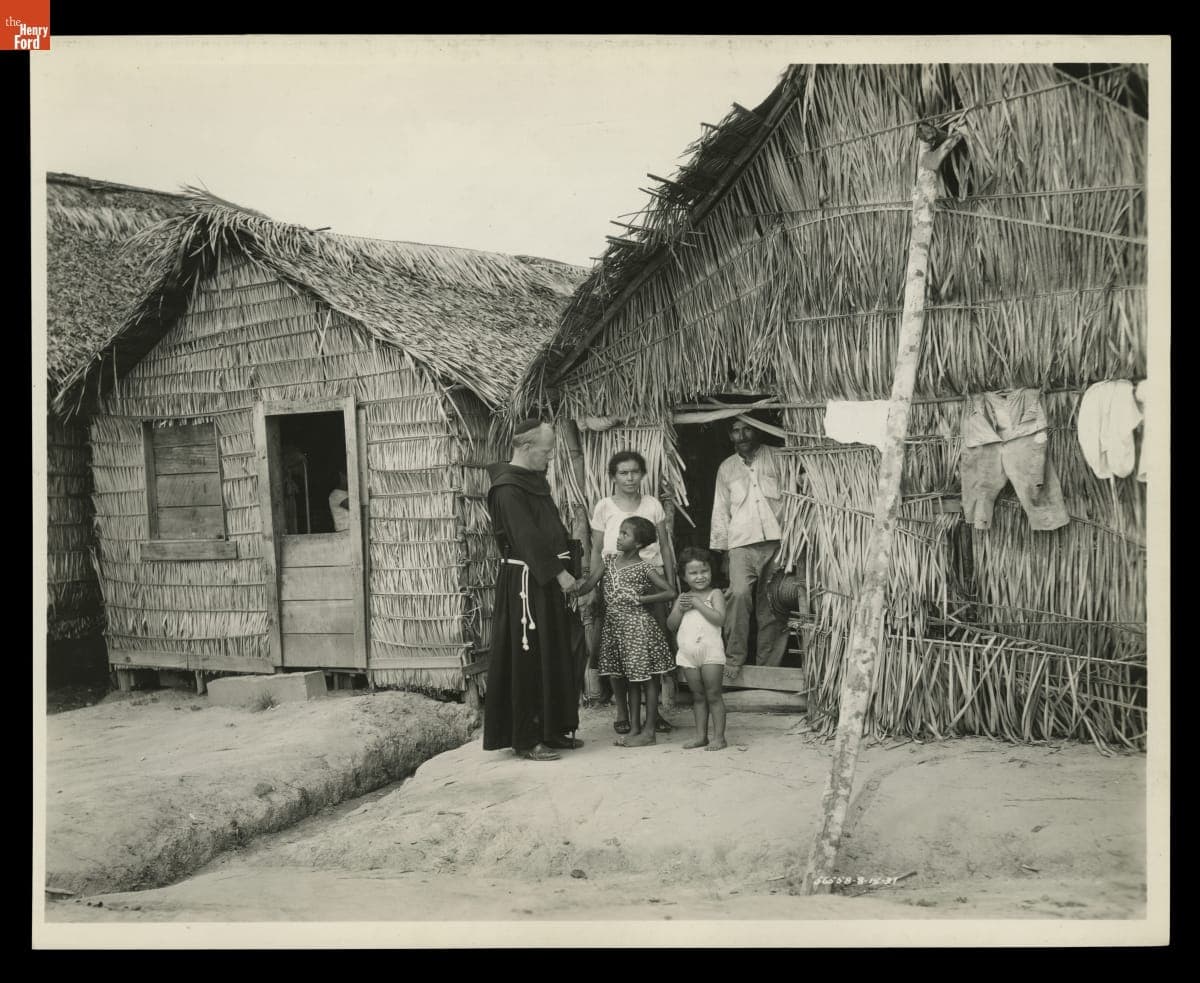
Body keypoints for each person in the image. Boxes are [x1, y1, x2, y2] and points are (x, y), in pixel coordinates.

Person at [483, 420, 586, 761]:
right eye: (547, 450)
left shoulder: (534, 482)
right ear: (526, 449)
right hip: (528, 584)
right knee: (528, 660)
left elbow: (548, 530)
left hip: (547, 580)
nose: (551, 456)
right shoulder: (508, 489)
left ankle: (552, 729)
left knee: (552, 653)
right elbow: (526, 538)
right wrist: (559, 575)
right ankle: (526, 738)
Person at [587, 450, 677, 735]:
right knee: (615, 646)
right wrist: (592, 589)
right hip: (615, 584)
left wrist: (671, 586)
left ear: (643, 474)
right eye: (623, 472)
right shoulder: (604, 507)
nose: (630, 477)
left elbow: (664, 547)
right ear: (613, 476)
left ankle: (654, 713)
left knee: (653, 646)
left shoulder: (652, 505)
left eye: (635, 472)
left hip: (650, 579)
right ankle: (623, 711)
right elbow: (597, 550)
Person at [573, 517, 676, 748]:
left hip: (639, 629)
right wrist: (568, 581)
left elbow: (670, 592)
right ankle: (636, 729)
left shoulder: (644, 567)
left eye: (624, 534)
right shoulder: (608, 562)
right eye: (619, 532)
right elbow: (588, 586)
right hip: (616, 630)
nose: (618, 537)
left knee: (648, 682)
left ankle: (649, 732)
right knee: (631, 680)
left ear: (638, 544)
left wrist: (642, 598)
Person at [710, 419, 790, 679]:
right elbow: (720, 511)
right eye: (735, 430)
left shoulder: (778, 457)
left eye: (747, 428)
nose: (742, 435)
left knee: (773, 604)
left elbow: (794, 497)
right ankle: (734, 661)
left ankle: (768, 670)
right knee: (739, 595)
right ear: (729, 435)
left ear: (758, 428)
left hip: (778, 542)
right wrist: (723, 552)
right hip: (740, 545)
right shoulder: (726, 468)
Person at [667, 547, 728, 751]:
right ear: (684, 576)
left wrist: (698, 604)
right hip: (688, 655)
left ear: (711, 571)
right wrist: (680, 608)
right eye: (693, 573)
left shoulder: (715, 593)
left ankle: (719, 737)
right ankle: (701, 736)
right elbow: (671, 625)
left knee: (713, 695)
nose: (700, 576)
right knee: (698, 697)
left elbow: (719, 619)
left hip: (711, 653)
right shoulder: (683, 597)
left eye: (704, 571)